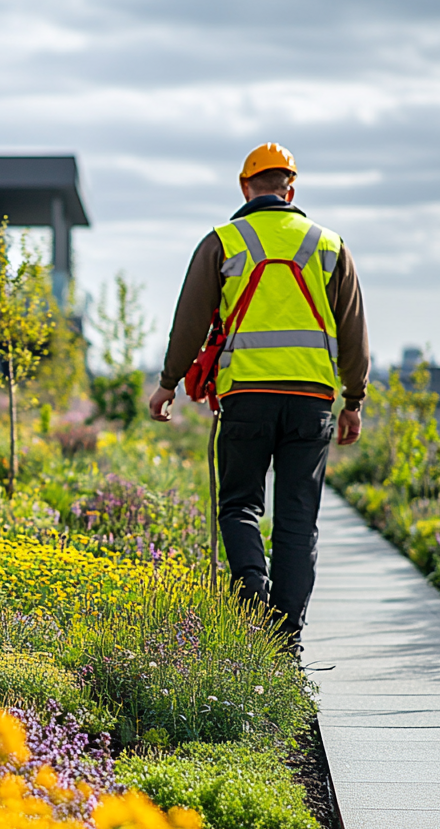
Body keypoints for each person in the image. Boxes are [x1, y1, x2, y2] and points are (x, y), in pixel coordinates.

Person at [148, 142, 370, 651]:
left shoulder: (223, 242)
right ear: (290, 189)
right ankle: (286, 635)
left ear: (246, 187)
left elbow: (190, 321)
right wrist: (353, 401)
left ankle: (251, 600)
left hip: (246, 398)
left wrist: (167, 382)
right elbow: (354, 332)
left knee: (240, 505)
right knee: (298, 517)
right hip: (312, 401)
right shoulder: (330, 245)